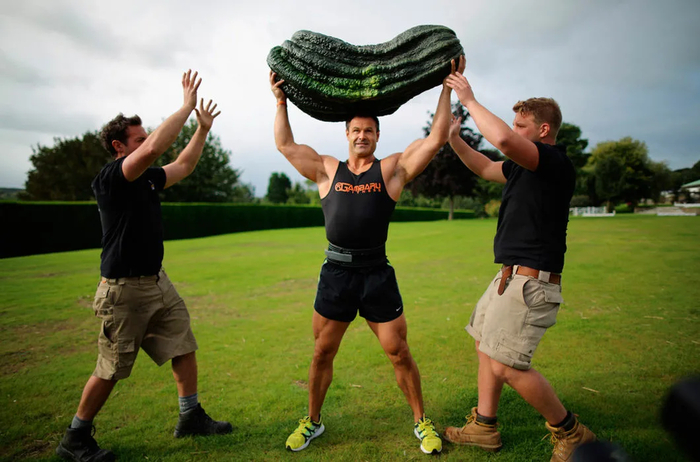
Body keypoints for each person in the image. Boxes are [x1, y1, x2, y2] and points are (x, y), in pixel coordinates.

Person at [269, 59, 462, 455]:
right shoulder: (327, 170)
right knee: (322, 351)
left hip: (376, 274)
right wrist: (280, 101)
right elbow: (285, 146)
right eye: (356, 130)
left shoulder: (391, 170)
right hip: (336, 274)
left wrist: (446, 87)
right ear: (347, 134)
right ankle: (313, 421)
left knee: (398, 351)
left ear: (377, 135)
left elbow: (435, 139)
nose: (362, 135)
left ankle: (421, 421)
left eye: (369, 131)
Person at [56, 71, 230, 462]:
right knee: (111, 367)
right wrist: (185, 107)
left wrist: (202, 130)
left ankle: (190, 417)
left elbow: (183, 166)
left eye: (144, 136)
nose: (146, 141)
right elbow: (153, 149)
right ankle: (75, 438)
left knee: (183, 344)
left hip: (157, 283)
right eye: (137, 138)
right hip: (122, 291)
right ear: (119, 147)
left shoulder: (147, 180)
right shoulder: (111, 179)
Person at [441, 57, 596, 462]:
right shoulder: (522, 169)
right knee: (484, 346)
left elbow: (505, 143)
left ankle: (572, 433)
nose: (513, 131)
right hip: (508, 278)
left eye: (521, 125)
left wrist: (469, 99)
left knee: (507, 365)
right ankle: (484, 426)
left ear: (543, 130)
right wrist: (455, 140)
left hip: (532, 281)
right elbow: (485, 166)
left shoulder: (554, 163)